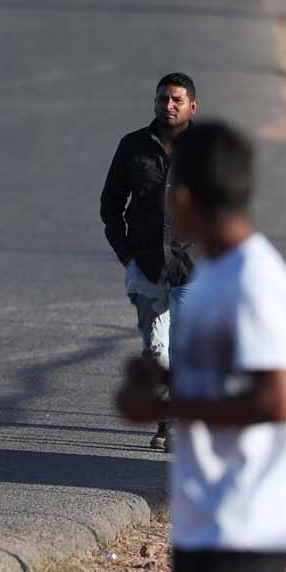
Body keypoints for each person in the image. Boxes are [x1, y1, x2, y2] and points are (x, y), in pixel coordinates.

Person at [115, 121, 286, 572]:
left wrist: (163, 408)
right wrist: (160, 376)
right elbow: (223, 380)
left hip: (246, 527)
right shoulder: (214, 276)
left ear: (181, 198)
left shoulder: (254, 281)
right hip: (207, 520)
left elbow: (273, 400)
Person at [100, 73, 198, 452]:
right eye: (162, 99)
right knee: (157, 349)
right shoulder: (133, 146)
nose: (168, 106)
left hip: (193, 267)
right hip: (147, 266)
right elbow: (111, 205)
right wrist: (127, 257)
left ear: (192, 106)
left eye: (176, 99)